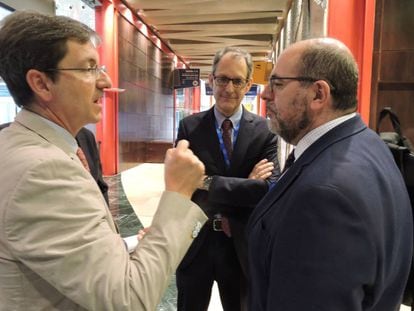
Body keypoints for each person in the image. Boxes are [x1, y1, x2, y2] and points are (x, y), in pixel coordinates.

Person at [0, 11, 207, 310]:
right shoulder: (43, 172)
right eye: (88, 68)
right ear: (42, 84)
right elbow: (130, 300)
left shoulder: (24, 145)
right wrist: (178, 193)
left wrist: (131, 246)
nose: (106, 81)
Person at [248, 37, 413, 310]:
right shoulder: (369, 142)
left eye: (277, 84)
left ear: (318, 94)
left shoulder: (323, 196)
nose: (265, 94)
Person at [175, 47, 280, 311]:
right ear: (211, 80)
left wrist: (207, 182)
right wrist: (247, 183)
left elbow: (267, 189)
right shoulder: (190, 127)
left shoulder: (265, 131)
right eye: (222, 79)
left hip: (241, 245)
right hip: (196, 241)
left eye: (236, 81)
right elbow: (183, 182)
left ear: (247, 85)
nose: (228, 88)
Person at [0, 123, 109, 204]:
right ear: (43, 90)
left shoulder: (86, 136)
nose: (102, 90)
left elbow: (100, 187)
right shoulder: (7, 137)